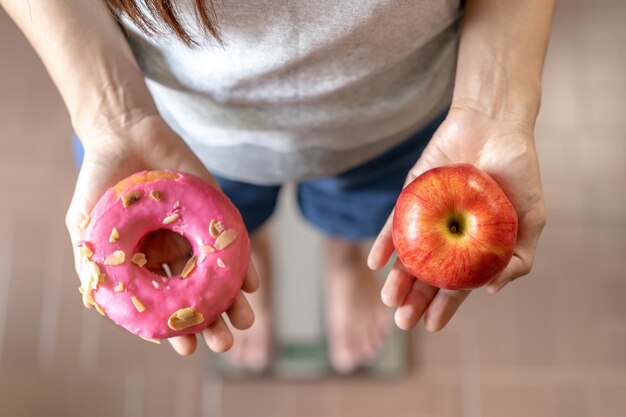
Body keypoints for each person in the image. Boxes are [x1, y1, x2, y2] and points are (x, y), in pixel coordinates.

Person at [1, 0, 551, 373]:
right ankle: (245, 256)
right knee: (229, 225)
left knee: (373, 217)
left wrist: (495, 106)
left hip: (401, 124)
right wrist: (111, 116)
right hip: (174, 135)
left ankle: (345, 260)